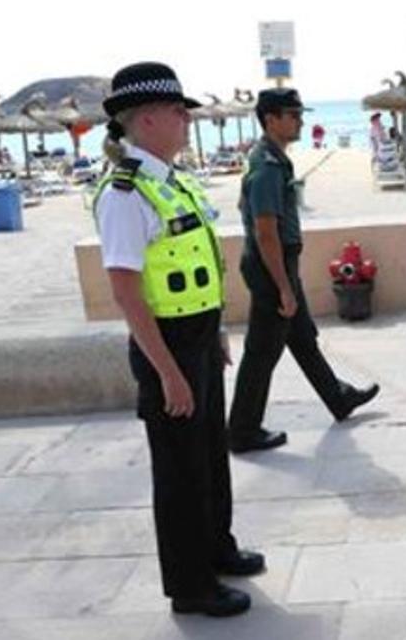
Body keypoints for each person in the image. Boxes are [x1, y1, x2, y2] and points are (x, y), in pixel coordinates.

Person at [93, 62, 263, 618]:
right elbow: (125, 291)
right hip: (163, 342)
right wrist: (166, 371)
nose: (186, 119)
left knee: (209, 455)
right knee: (180, 471)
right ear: (145, 119)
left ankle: (217, 548)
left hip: (196, 334)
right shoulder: (124, 192)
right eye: (176, 111)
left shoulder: (172, 179)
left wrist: (213, 332)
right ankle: (191, 585)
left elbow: (199, 261)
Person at [226, 88, 379, 453]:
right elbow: (265, 233)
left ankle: (338, 398)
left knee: (302, 337)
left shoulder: (275, 160)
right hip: (271, 268)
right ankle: (242, 430)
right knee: (262, 352)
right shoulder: (266, 166)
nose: (300, 121)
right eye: (293, 114)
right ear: (271, 120)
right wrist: (283, 286)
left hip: (280, 264)